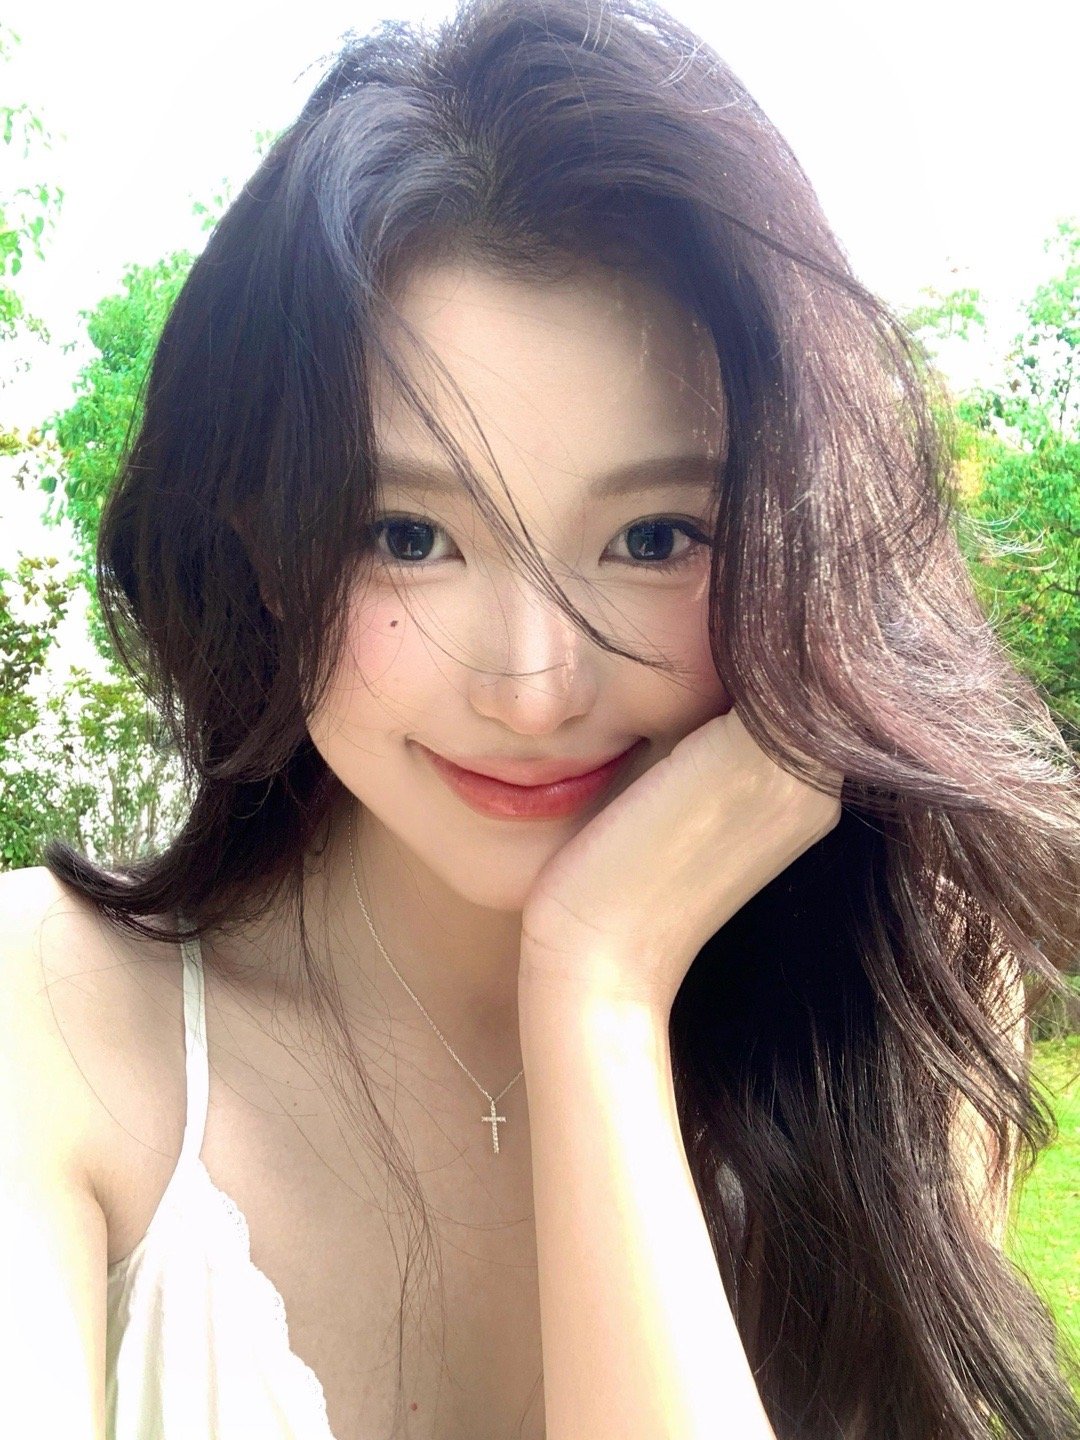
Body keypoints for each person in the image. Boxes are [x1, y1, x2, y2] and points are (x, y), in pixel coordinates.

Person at [2, 0, 1079, 1436]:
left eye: (655, 536)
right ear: (257, 545)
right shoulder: (47, 1020)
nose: (531, 686)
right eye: (406, 534)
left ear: (808, 554)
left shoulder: (889, 1015)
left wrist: (599, 994)